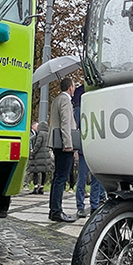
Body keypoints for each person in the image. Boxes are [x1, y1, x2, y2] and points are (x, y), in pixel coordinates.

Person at [72, 84, 104, 218]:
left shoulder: (79, 108)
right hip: (90, 147)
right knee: (91, 177)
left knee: (85, 177)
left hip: (87, 146)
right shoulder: (83, 108)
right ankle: (92, 205)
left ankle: (86, 206)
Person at [48, 77, 77, 222]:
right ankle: (56, 211)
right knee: (61, 178)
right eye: (74, 86)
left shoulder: (56, 99)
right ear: (70, 87)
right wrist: (68, 143)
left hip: (56, 142)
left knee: (57, 177)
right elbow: (66, 122)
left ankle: (53, 210)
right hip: (63, 143)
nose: (74, 89)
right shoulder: (65, 100)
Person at [26, 121, 51, 195]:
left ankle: (36, 187)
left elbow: (38, 144)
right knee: (44, 172)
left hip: (38, 155)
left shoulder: (40, 134)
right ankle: (42, 187)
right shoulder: (47, 134)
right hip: (46, 155)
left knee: (35, 171)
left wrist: (33, 152)